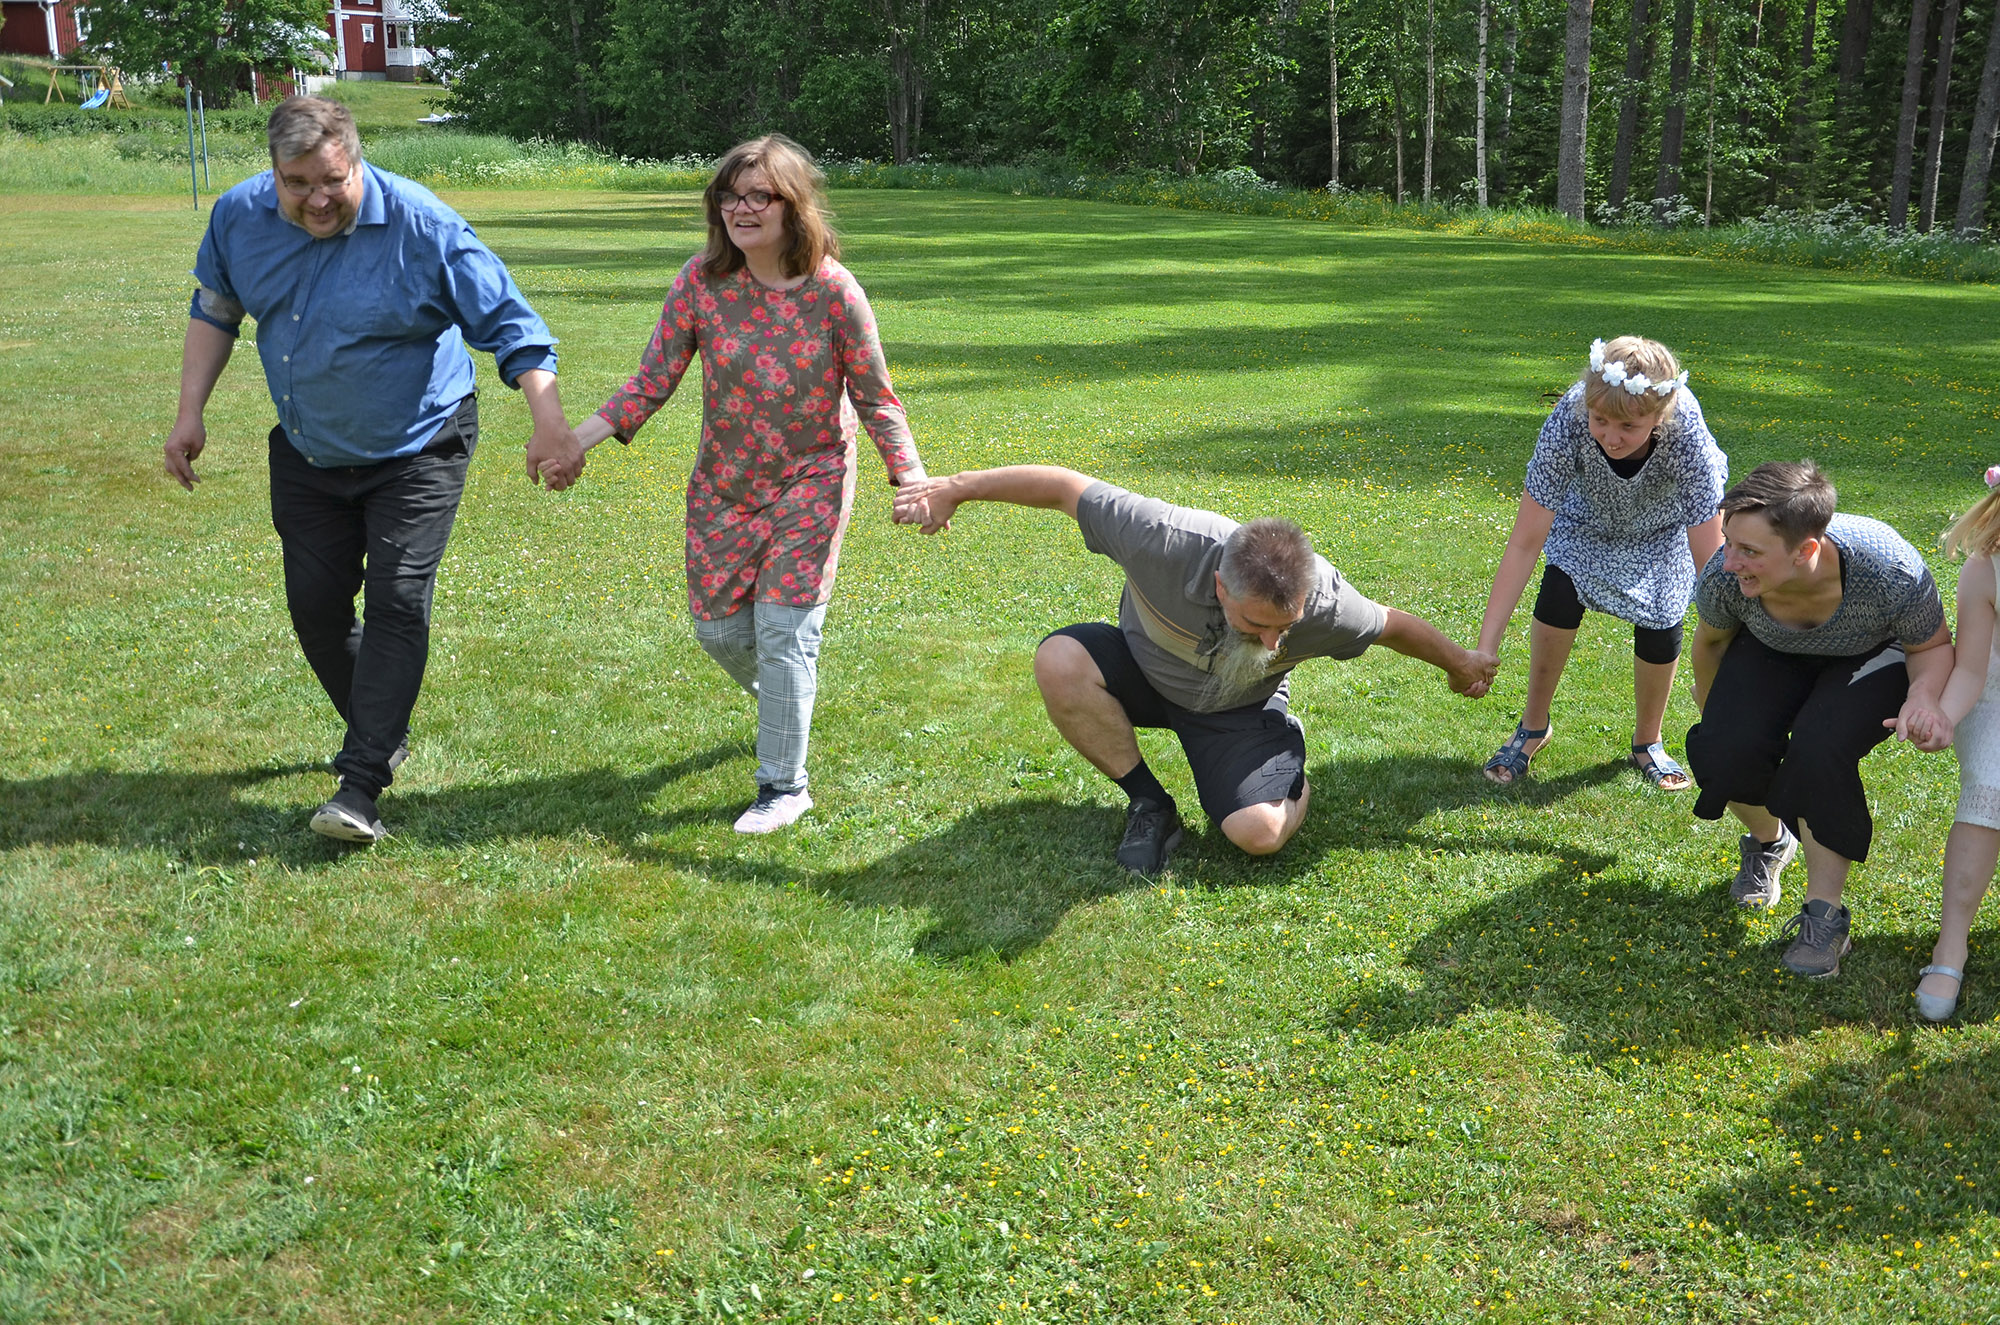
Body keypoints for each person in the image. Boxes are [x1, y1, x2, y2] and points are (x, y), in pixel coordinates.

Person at [163, 96, 583, 844]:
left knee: (396, 599)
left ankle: (360, 785)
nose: (319, 198)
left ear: (355, 159)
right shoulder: (238, 217)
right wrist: (190, 410)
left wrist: (548, 423)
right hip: (309, 447)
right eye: (299, 183)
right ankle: (382, 729)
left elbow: (516, 329)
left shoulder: (424, 226)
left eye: (335, 179)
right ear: (274, 172)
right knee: (316, 608)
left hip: (420, 443)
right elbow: (216, 308)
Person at [568, 135, 926, 833]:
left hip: (812, 479)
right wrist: (573, 442)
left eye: (759, 194)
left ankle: (783, 785)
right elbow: (652, 379)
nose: (741, 208)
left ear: (795, 206)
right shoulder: (700, 282)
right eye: (729, 195)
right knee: (719, 630)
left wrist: (908, 475)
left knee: (785, 630)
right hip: (724, 487)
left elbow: (877, 397)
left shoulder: (834, 290)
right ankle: (784, 710)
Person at [889, 466, 1498, 871]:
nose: (1271, 639)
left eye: (1283, 628)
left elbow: (1391, 624)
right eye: (1256, 625)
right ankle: (1150, 804)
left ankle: (1282, 761)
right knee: (1059, 659)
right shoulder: (1159, 537)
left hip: (1239, 708)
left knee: (1257, 834)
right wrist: (957, 487)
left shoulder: (1329, 604)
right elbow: (1063, 488)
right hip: (1146, 674)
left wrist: (1459, 663)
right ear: (1219, 586)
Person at [1685, 460, 1949, 979]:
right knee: (1724, 747)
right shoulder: (1724, 576)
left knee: (1819, 745)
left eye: (1750, 551)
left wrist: (1923, 696)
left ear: (1806, 549)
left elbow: (1933, 645)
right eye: (1729, 542)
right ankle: (1770, 842)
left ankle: (1825, 916)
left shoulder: (1888, 566)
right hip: (1773, 648)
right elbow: (1711, 641)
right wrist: (1718, 712)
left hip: (1871, 653)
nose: (1729, 562)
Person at [1477, 337, 1726, 789]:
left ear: (1660, 415)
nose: (1611, 437)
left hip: (1661, 529)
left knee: (1663, 619)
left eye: (1628, 426)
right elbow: (1524, 541)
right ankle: (1533, 726)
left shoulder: (1686, 432)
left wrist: (1729, 655)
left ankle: (1647, 741)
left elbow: (1710, 557)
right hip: (1585, 519)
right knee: (1558, 592)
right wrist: (1485, 647)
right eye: (1601, 421)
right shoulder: (1570, 418)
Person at [1888, 467, 2000, 1021]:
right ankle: (1950, 943)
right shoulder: (1986, 570)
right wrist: (1944, 716)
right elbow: (1973, 670)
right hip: (1996, 697)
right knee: (1990, 787)